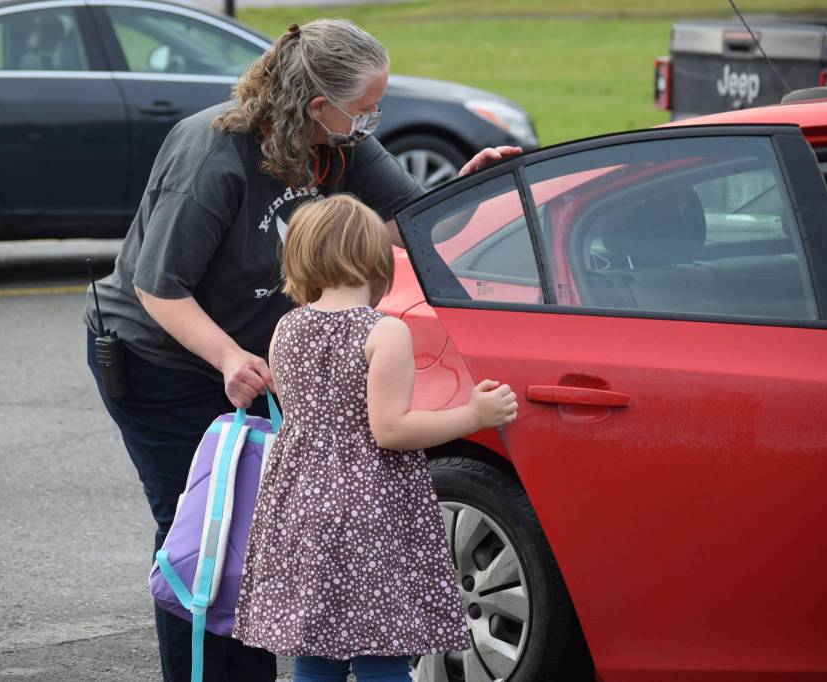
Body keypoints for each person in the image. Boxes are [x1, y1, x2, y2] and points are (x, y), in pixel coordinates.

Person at [84, 18, 519, 682]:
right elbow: (159, 287)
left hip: (254, 353)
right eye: (365, 108)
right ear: (319, 105)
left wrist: (473, 187)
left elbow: (411, 224)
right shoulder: (214, 154)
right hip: (161, 358)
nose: (374, 120)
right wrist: (230, 358)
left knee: (259, 529)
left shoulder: (338, 144)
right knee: (202, 531)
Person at [232, 194, 518, 682]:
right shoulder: (384, 332)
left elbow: (304, 407)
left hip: (300, 503)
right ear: (377, 257)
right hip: (369, 510)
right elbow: (390, 431)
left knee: (316, 652)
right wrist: (472, 415)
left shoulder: (286, 328)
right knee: (382, 653)